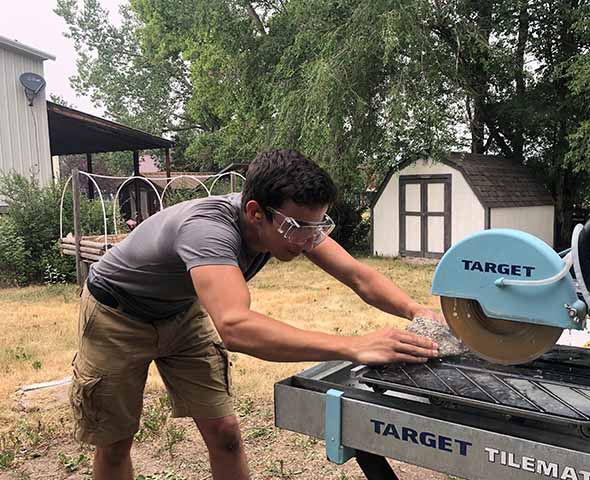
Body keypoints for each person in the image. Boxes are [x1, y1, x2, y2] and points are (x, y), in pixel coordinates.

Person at [71, 148, 443, 480]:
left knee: (226, 434)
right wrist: (354, 346)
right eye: (300, 228)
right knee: (116, 443)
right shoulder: (208, 230)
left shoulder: (287, 224)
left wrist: (416, 309)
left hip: (181, 314)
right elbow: (235, 326)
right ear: (255, 213)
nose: (308, 240)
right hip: (116, 316)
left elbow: (358, 276)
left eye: (318, 227)